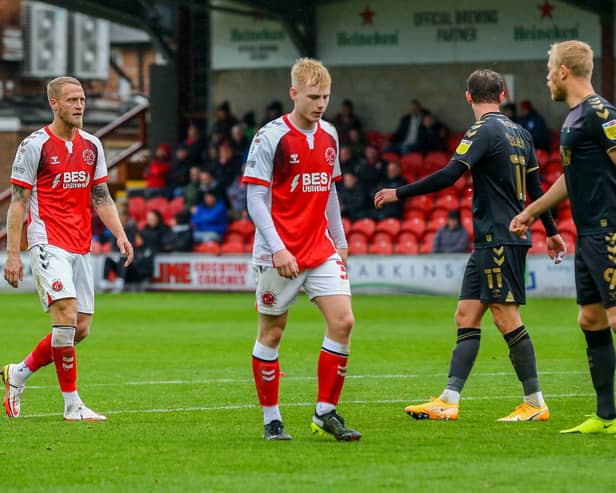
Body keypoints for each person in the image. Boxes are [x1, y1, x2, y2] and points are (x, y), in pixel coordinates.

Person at [375, 68, 565, 422]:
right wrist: (551, 230)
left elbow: (450, 174)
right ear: (503, 94)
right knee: (465, 315)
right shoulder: (521, 133)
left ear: (468, 97)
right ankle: (449, 399)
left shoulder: (482, 130)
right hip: (496, 239)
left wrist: (398, 192)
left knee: (505, 317)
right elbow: (536, 190)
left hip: (499, 237)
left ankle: (535, 402)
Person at [242, 57, 361, 442]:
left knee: (343, 322)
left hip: (319, 248)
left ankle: (326, 412)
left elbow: (328, 190)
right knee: (272, 333)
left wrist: (340, 241)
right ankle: (271, 418)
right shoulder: (270, 137)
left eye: (325, 96)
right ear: (294, 93)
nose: (321, 103)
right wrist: (277, 248)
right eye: (313, 96)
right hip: (279, 253)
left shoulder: (330, 134)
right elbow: (256, 198)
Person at [2, 76, 134, 421]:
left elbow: (101, 195)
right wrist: (14, 252)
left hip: (80, 245)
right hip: (47, 241)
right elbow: (18, 202)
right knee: (65, 315)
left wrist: (120, 234)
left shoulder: (92, 145)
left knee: (79, 329)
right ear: (54, 104)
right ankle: (72, 405)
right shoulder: (34, 145)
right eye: (73, 100)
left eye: (83, 99)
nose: (80, 106)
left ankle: (18, 374)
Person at [510, 40, 616, 434]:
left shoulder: (600, 113)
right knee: (590, 319)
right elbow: (571, 179)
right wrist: (531, 212)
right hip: (588, 234)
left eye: (549, 68)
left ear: (564, 72)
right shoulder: (574, 119)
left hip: (610, 232)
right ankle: (607, 418)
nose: (546, 76)